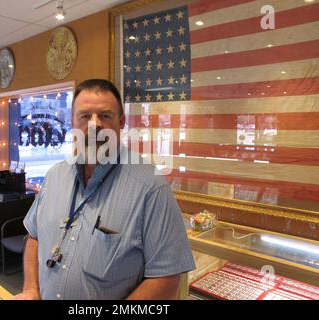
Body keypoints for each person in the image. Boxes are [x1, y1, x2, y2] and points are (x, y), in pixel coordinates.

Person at [13, 79, 195, 300]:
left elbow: (166, 278)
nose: (94, 125)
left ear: (122, 122)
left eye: (105, 116)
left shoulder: (152, 188)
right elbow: (34, 237)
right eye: (84, 116)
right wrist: (31, 288)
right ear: (73, 122)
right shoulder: (54, 176)